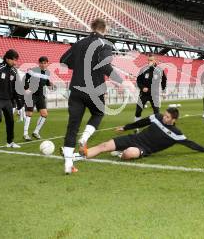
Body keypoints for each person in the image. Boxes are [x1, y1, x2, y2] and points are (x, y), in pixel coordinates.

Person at [60, 18, 125, 175]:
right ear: (104, 29)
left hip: (76, 89)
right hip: (94, 89)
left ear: (92, 27)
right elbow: (104, 65)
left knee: (72, 126)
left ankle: (68, 164)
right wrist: (119, 81)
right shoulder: (105, 44)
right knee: (98, 113)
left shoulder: (79, 43)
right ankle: (85, 138)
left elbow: (63, 61)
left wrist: (80, 65)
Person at [78, 107, 204, 161]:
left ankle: (121, 153)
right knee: (105, 145)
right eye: (164, 115)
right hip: (133, 138)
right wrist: (125, 127)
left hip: (143, 149)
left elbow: (191, 144)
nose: (164, 118)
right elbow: (142, 122)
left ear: (174, 120)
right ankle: (83, 153)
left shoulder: (176, 134)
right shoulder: (157, 117)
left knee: (128, 154)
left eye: (167, 117)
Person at [22, 56, 52, 141]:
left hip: (40, 95)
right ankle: (25, 134)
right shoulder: (33, 70)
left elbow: (46, 82)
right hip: (31, 94)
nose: (43, 64)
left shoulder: (48, 73)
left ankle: (36, 132)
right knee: (29, 114)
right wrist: (26, 88)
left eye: (45, 63)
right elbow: (25, 79)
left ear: (47, 63)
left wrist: (50, 85)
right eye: (41, 63)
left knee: (44, 114)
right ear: (39, 63)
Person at [134, 55, 167, 126]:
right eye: (148, 60)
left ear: (155, 61)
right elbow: (138, 81)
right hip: (144, 94)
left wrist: (163, 91)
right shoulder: (143, 70)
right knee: (138, 110)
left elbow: (164, 81)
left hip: (154, 94)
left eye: (151, 60)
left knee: (156, 111)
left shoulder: (160, 70)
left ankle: (157, 124)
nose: (149, 62)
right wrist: (142, 88)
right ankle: (137, 123)